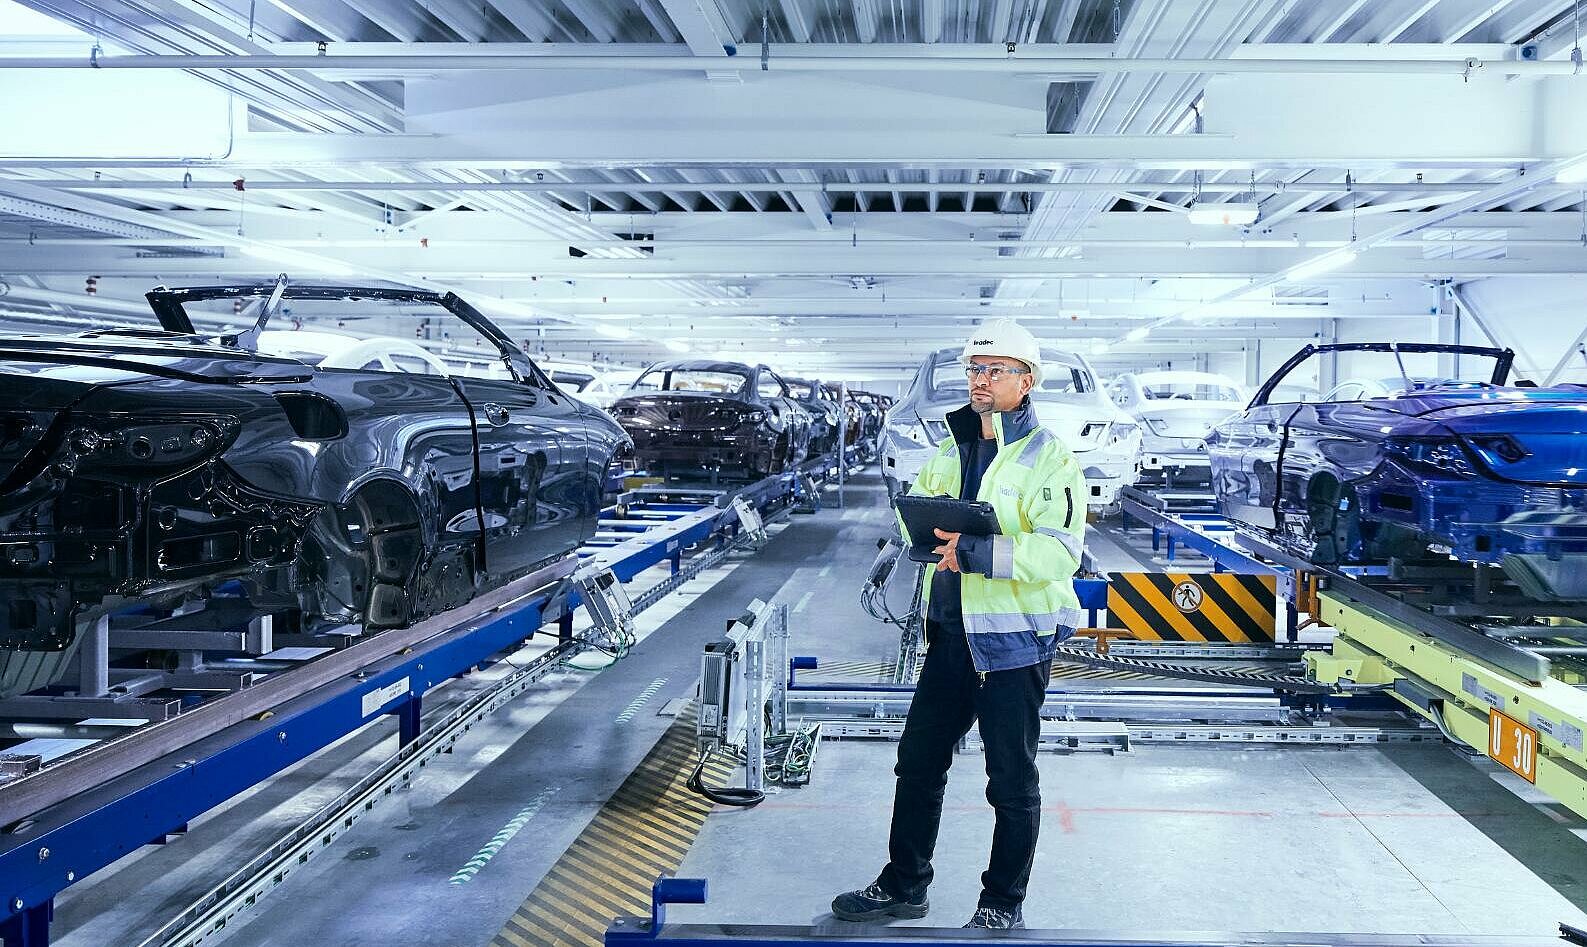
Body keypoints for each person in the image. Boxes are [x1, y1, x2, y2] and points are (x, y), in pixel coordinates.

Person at [831, 319, 1088, 931]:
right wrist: (910, 539)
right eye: (975, 370)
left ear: (1026, 381)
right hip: (948, 635)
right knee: (918, 763)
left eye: (997, 370)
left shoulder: (1049, 457)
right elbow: (916, 511)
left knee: (1011, 781)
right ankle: (904, 885)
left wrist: (971, 554)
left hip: (1011, 645)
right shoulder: (951, 449)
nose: (982, 381)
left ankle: (1001, 903)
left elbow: (1060, 552)